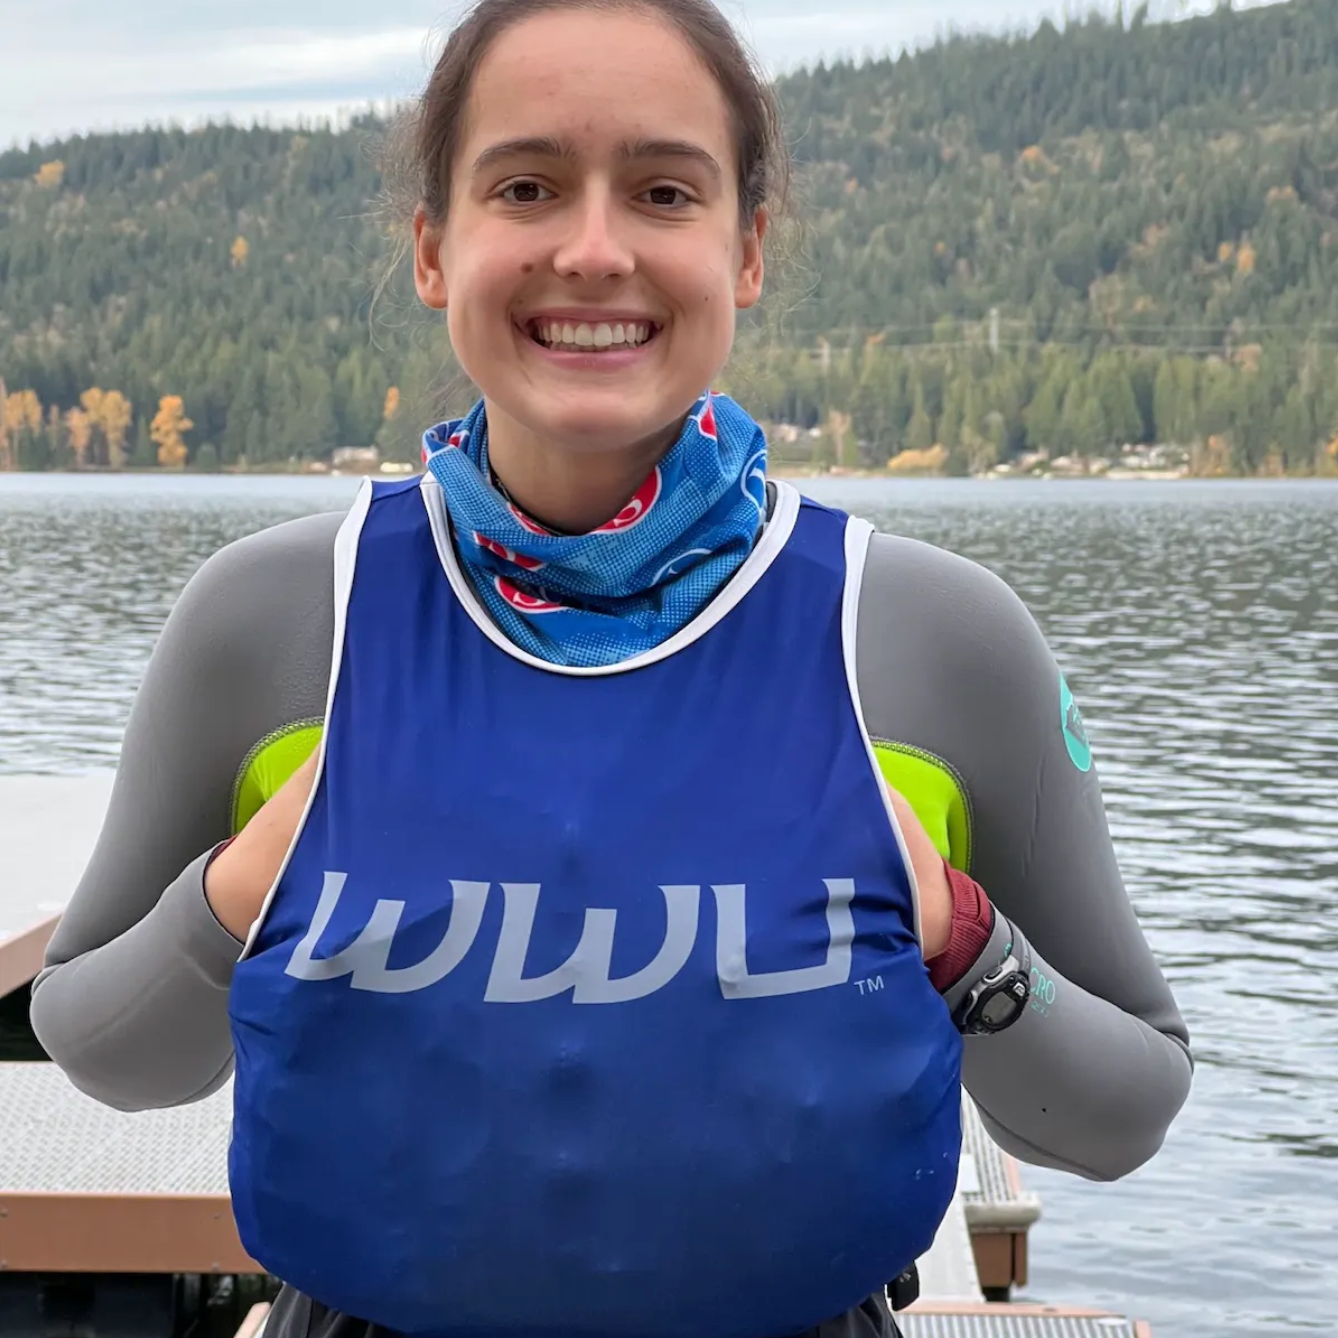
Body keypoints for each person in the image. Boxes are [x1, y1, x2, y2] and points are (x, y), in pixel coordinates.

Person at [30, 2, 1194, 1336]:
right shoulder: (280, 620)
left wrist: (960, 938)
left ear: (745, 250)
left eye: (663, 191)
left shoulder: (932, 638)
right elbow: (107, 1054)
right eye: (526, 187)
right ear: (433, 247)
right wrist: (238, 894)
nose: (593, 250)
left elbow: (1118, 1116)